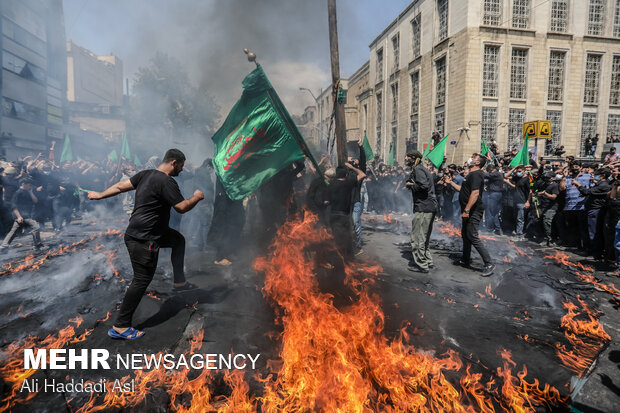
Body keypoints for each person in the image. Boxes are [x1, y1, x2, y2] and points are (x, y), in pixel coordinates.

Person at [88, 149, 204, 340]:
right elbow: (182, 207)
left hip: (149, 233)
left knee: (178, 240)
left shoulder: (145, 174)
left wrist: (100, 195)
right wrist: (197, 197)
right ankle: (121, 326)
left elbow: (119, 187)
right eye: (181, 166)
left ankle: (179, 282)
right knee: (141, 279)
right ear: (174, 162)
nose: (182, 170)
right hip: (144, 238)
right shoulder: (167, 181)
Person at [445, 154, 495, 276]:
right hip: (468, 210)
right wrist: (450, 183)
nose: (470, 159)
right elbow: (463, 190)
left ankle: (489, 263)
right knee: (465, 235)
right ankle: (465, 259)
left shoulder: (477, 174)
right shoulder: (470, 175)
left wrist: (467, 210)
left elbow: (475, 193)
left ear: (478, 163)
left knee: (472, 236)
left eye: (474, 158)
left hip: (474, 210)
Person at [405, 150, 437, 273]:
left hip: (424, 207)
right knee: (424, 238)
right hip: (428, 207)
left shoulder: (418, 169)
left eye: (408, 157)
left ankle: (422, 265)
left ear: (413, 158)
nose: (406, 159)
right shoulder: (420, 169)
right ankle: (428, 262)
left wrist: (410, 185)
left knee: (417, 238)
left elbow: (423, 186)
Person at [327, 163, 366, 258]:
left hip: (333, 215)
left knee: (336, 239)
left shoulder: (331, 184)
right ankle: (345, 260)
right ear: (346, 175)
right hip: (344, 216)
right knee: (346, 240)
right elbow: (362, 174)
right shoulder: (349, 183)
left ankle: (337, 260)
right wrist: (352, 167)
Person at [0, 177, 44, 251]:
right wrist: (19, 216)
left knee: (13, 231)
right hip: (21, 216)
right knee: (36, 227)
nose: (31, 187)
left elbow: (35, 201)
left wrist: (30, 192)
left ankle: (4, 246)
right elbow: (13, 206)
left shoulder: (28, 192)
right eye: (30, 185)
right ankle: (37, 245)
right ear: (23, 184)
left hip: (26, 216)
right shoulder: (18, 193)